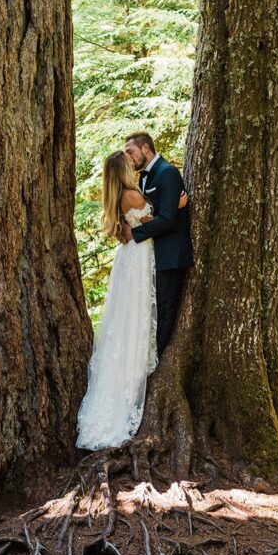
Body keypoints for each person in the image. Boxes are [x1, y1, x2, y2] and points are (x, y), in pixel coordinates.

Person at [76, 151, 187, 450]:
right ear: (123, 171)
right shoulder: (132, 196)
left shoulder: (119, 196)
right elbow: (158, 221)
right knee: (137, 313)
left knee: (129, 315)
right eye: (128, 164)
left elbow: (131, 228)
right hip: (139, 256)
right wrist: (175, 207)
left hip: (132, 255)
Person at [122, 132, 193, 358]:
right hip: (155, 253)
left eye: (130, 152)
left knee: (165, 309)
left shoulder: (167, 173)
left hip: (171, 254)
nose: (129, 158)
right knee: (153, 309)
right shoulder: (143, 178)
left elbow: (167, 220)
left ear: (145, 149)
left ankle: (158, 361)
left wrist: (134, 233)